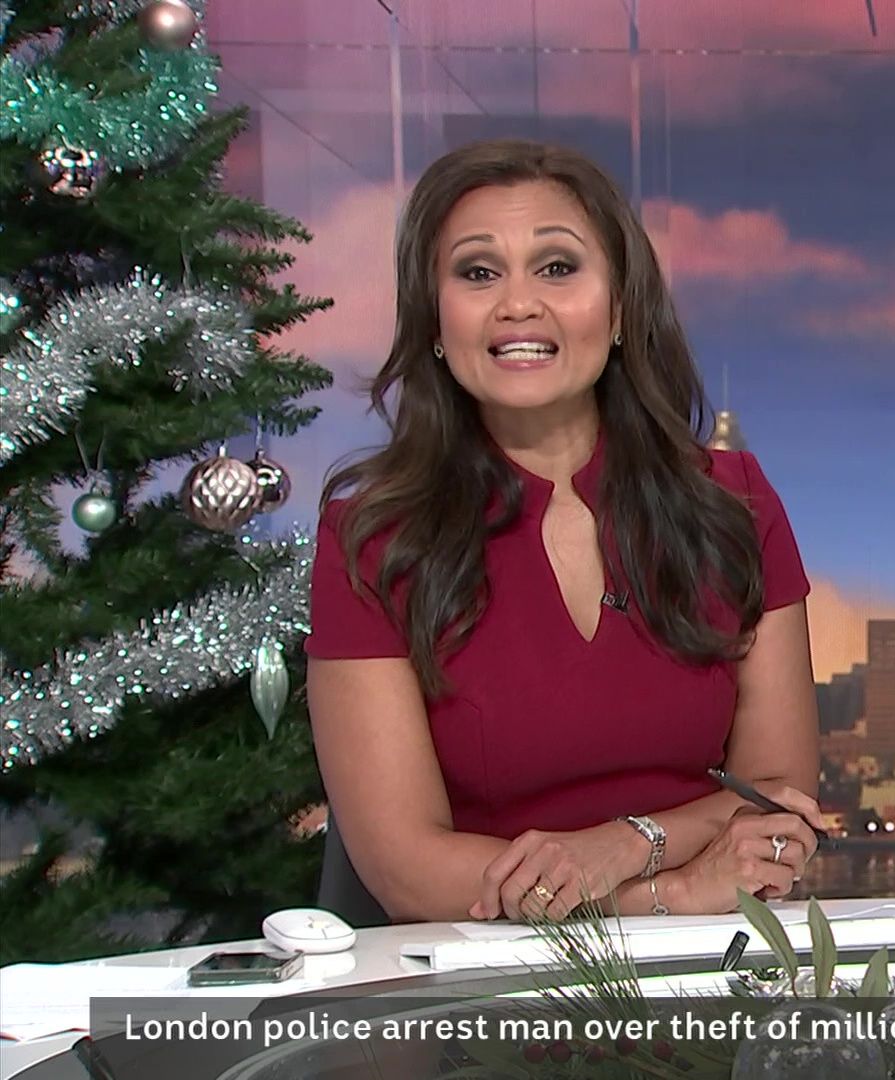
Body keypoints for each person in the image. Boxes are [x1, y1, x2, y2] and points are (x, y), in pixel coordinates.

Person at [306, 139, 825, 924]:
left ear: (618, 310)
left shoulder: (734, 502)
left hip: (709, 957)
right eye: (478, 273)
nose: (518, 304)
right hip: (488, 973)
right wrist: (663, 892)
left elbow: (778, 804)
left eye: (557, 267)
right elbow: (407, 871)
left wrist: (626, 842)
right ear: (435, 321)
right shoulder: (372, 537)